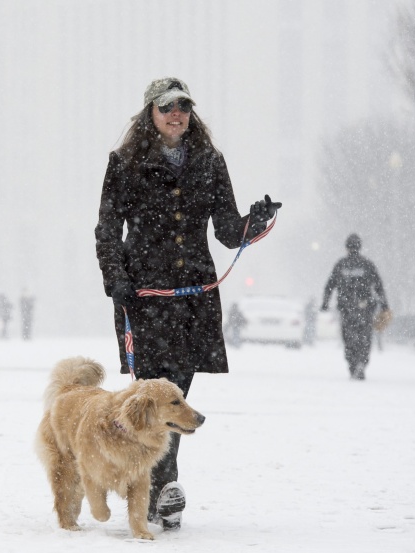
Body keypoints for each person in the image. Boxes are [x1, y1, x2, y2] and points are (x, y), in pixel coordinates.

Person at [95, 77, 281, 531]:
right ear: (150, 115)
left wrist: (254, 222)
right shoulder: (124, 163)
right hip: (145, 297)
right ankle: (161, 486)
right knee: (155, 397)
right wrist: (115, 279)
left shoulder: (210, 162)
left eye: (183, 107)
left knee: (176, 395)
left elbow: (226, 230)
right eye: (167, 108)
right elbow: (106, 229)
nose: (176, 114)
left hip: (194, 298)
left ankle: (153, 487)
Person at [321, 234, 390, 380]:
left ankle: (352, 363)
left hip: (346, 309)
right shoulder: (368, 265)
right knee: (364, 337)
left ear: (347, 247)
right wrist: (384, 306)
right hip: (365, 308)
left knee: (348, 337)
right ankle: (362, 362)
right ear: (360, 246)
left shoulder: (341, 265)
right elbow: (378, 286)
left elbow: (329, 286)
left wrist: (325, 304)